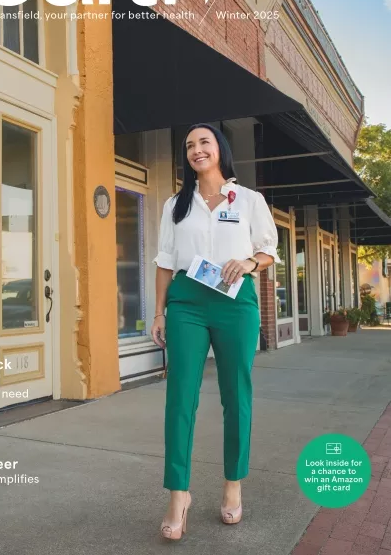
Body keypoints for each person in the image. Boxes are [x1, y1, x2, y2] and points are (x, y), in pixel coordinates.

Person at [151, 123, 281, 540]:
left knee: (236, 395)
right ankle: (178, 495)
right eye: (189, 145)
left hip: (234, 300)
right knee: (180, 397)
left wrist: (249, 264)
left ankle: (232, 485)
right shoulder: (176, 204)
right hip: (187, 299)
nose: (196, 150)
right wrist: (158, 313)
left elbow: (267, 249)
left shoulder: (248, 199)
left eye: (204, 142)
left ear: (220, 149)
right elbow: (165, 261)